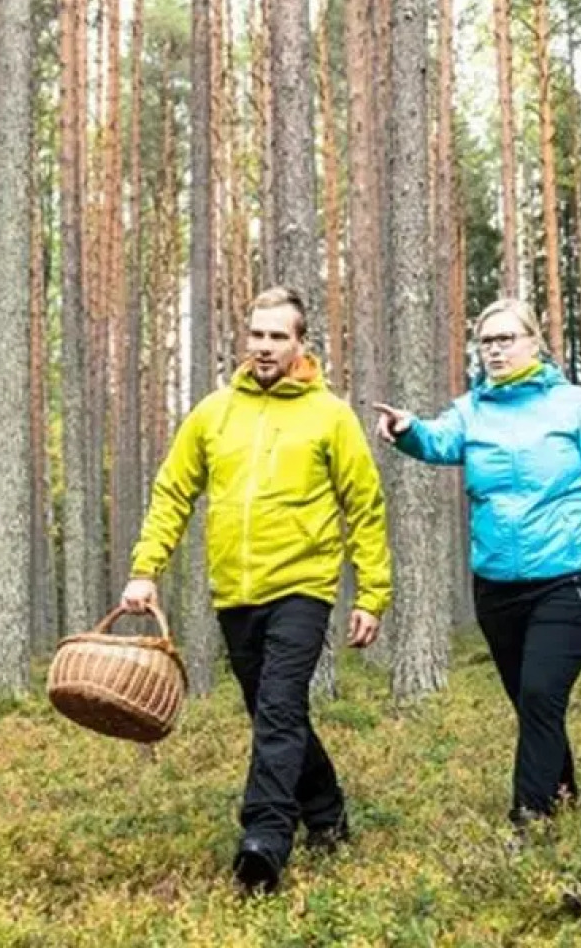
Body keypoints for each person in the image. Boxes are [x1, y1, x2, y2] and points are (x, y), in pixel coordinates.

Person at [121, 286, 392, 893]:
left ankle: (265, 840)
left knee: (275, 710)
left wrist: (372, 594)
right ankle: (328, 814)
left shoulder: (331, 415)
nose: (265, 347)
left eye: (278, 336)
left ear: (301, 344)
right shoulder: (214, 413)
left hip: (303, 587)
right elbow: (172, 493)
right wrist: (146, 569)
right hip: (234, 593)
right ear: (244, 340)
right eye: (257, 335)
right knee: (275, 712)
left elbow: (365, 507)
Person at [372, 298, 581, 833]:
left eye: (507, 339)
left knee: (539, 692)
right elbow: (440, 441)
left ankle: (528, 819)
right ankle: (564, 797)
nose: (496, 351)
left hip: (572, 577)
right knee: (534, 703)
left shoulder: (576, 407)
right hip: (498, 588)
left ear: (535, 342)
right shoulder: (472, 410)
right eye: (487, 342)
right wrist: (409, 430)